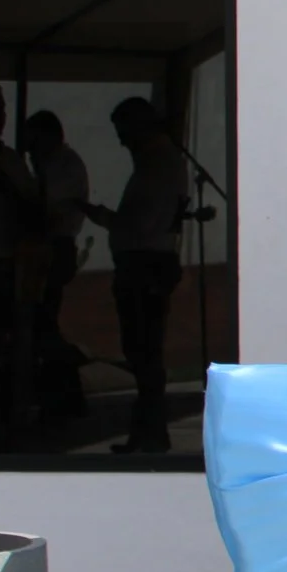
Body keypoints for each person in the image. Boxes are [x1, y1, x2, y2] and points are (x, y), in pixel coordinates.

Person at [84, 97, 187, 454]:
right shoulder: (161, 162)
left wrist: (104, 218)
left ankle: (150, 433)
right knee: (144, 351)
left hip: (143, 266)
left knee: (143, 351)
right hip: (148, 263)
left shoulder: (156, 164)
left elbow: (140, 224)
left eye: (123, 131)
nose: (121, 141)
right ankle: (148, 432)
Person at [22, 110, 88, 422]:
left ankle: (66, 394)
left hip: (55, 247)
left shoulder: (64, 166)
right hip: (52, 247)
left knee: (45, 321)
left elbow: (46, 206)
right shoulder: (60, 164)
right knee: (44, 320)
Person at [0, 85, 35, 449]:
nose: (2, 116)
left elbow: (29, 206)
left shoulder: (9, 161)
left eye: (2, 108)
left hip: (1, 264)